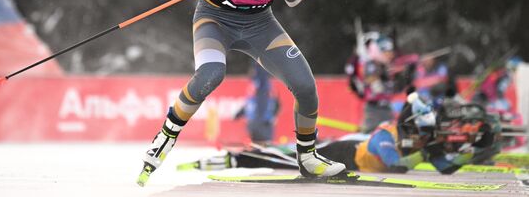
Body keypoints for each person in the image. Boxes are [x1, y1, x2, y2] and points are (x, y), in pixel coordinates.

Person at [137, 0, 347, 185]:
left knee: (305, 87)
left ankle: (308, 159)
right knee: (210, 74)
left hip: (259, 24)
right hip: (214, 17)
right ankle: (165, 137)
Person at [181, 92, 502, 174]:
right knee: (285, 160)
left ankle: (243, 156)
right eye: (421, 134)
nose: (424, 139)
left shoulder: (416, 138)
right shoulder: (386, 137)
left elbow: (444, 167)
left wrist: (469, 154)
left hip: (346, 151)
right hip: (341, 154)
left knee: (286, 155)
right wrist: (428, 154)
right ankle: (234, 160)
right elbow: (397, 165)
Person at [345, 32, 398, 133]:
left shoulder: (386, 65)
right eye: (387, 51)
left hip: (386, 106)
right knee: (369, 133)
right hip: (374, 108)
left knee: (390, 133)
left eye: (391, 51)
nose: (391, 54)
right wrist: (382, 75)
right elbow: (370, 80)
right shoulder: (371, 64)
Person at [234, 61, 280, 145]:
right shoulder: (254, 84)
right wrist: (239, 114)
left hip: (262, 122)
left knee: (264, 146)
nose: (250, 71)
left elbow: (275, 104)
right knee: (256, 146)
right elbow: (249, 103)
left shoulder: (262, 84)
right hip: (254, 122)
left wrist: (259, 64)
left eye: (253, 69)